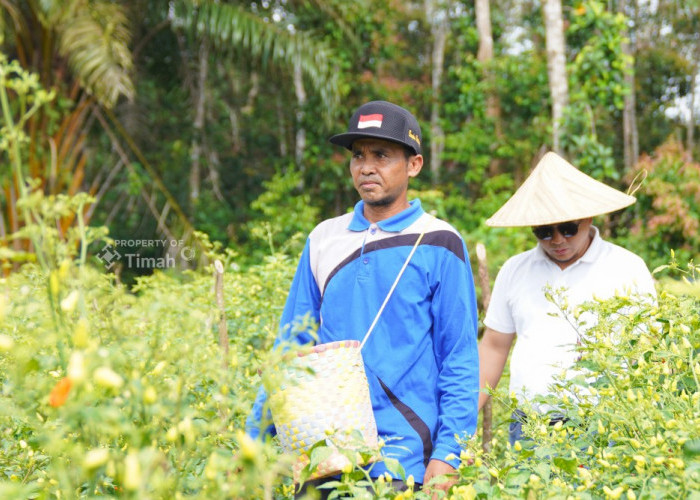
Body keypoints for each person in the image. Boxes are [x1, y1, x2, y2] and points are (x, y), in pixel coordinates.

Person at [246, 100, 479, 496]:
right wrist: (254, 438)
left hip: (403, 459)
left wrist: (450, 453)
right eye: (358, 156)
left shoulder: (440, 242)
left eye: (382, 155)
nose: (366, 167)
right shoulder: (324, 238)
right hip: (321, 453)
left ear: (414, 165)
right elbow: (291, 345)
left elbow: (458, 357)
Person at [478, 151, 657, 445]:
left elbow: (648, 352)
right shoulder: (515, 270)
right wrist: (462, 422)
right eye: (545, 231)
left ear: (589, 218)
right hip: (529, 427)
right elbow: (494, 348)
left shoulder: (627, 268)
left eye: (569, 228)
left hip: (604, 425)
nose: (558, 240)